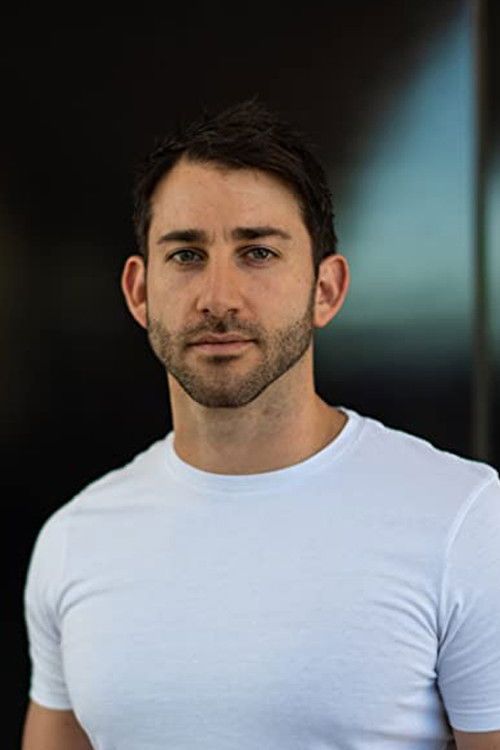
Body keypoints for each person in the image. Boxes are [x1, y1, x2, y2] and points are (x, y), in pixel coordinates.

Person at [22, 97, 500, 750]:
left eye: (258, 252)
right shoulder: (74, 541)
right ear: (139, 291)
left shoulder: (463, 521)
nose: (219, 298)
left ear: (326, 290)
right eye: (186, 255)